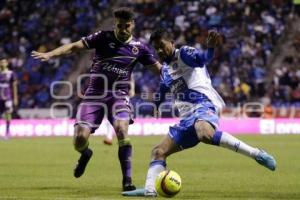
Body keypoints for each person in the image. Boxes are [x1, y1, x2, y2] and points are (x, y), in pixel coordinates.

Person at [122, 28, 276, 197]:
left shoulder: (185, 54)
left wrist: (210, 48)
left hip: (204, 105)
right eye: (156, 48)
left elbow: (203, 59)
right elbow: (162, 90)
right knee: (158, 152)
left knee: (204, 132)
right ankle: (150, 190)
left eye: (162, 46)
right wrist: (157, 106)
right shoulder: (165, 71)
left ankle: (256, 154)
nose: (159, 51)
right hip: (187, 118)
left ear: (172, 43)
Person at [31, 7, 161, 191]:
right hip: (94, 94)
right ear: (114, 24)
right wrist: (50, 54)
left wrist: (181, 74)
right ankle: (85, 153)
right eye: (119, 26)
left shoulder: (140, 48)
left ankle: (127, 182)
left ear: (132, 25)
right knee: (80, 138)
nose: (123, 29)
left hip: (119, 95)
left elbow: (158, 69)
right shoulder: (102, 37)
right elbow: (75, 46)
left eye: (126, 26)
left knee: (122, 130)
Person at [0, 59, 18, 140]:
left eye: (4, 62)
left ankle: (7, 133)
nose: (3, 63)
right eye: (1, 62)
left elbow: (14, 86)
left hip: (7, 96)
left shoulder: (11, 73)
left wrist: (15, 98)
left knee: (8, 113)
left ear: (7, 63)